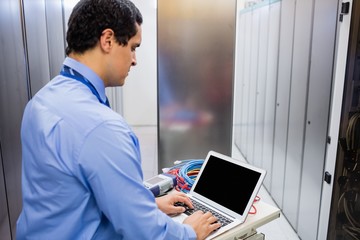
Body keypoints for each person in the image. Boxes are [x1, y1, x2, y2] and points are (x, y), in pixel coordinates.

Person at [16, 0, 221, 239]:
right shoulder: (102, 127)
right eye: (133, 47)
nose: (135, 60)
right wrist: (189, 232)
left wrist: (148, 205)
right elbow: (145, 233)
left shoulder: (40, 102)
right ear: (108, 40)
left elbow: (71, 197)